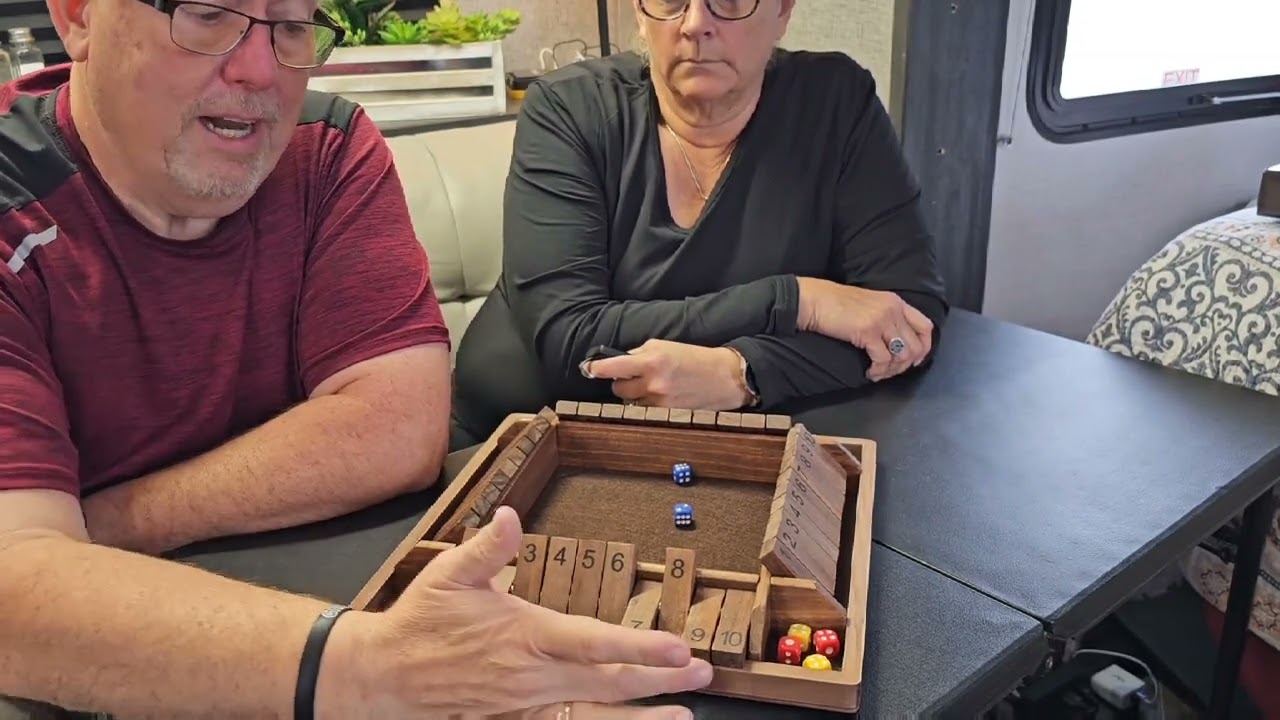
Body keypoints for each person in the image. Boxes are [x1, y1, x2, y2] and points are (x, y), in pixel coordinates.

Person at [0, 0, 711, 718]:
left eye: (291, 26)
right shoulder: (14, 202)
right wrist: (378, 671)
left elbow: (399, 425)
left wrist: (100, 525)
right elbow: (16, 590)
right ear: (78, 16)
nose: (260, 70)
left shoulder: (324, 145)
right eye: (209, 14)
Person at [450, 0, 948, 447]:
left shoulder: (836, 103)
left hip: (730, 450)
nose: (694, 24)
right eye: (670, 1)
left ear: (783, 10)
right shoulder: (568, 109)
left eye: (728, 1)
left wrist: (743, 373)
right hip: (524, 440)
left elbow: (908, 317)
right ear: (640, 13)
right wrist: (798, 301)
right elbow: (571, 339)